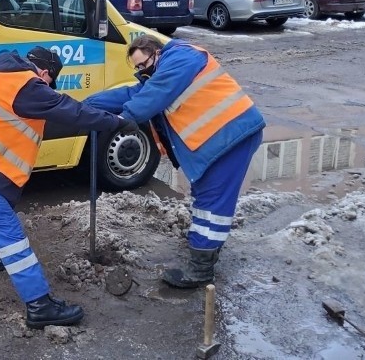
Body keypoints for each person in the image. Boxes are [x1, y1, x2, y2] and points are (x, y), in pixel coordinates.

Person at [0, 46, 138, 329]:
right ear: (45, 73)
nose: (47, 89)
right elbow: (68, 110)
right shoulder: (28, 86)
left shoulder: (2, 72)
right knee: (8, 232)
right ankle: (39, 305)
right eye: (50, 84)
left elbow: (35, 120)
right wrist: (116, 121)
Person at [84, 34, 265, 288]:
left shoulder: (183, 56)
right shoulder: (163, 70)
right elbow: (132, 92)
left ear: (156, 52)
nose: (141, 71)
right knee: (205, 197)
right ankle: (206, 250)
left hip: (231, 136)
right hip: (216, 140)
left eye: (143, 64)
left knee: (212, 202)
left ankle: (200, 269)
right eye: (137, 68)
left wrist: (122, 119)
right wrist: (87, 104)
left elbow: (153, 95)